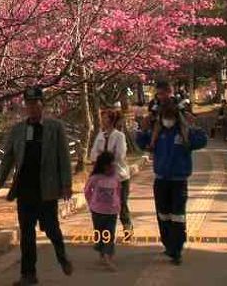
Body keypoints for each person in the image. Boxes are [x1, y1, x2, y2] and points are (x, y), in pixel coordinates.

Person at [0, 87, 74, 285]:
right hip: (25, 189)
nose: (32, 108)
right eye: (28, 104)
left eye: (35, 104)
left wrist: (66, 184)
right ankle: (28, 274)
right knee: (27, 234)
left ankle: (62, 257)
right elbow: (8, 157)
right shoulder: (19, 130)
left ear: (42, 105)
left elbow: (63, 157)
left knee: (52, 229)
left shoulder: (55, 127)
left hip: (47, 189)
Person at [136, 98, 207, 265]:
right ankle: (168, 244)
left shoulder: (184, 132)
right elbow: (142, 143)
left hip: (178, 181)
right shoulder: (157, 133)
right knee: (163, 215)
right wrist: (143, 128)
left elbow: (201, 141)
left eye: (170, 117)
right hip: (161, 181)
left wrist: (194, 125)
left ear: (176, 117)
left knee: (178, 216)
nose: (168, 120)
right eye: (164, 117)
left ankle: (177, 249)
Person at [90, 108, 133, 240]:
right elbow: (93, 155)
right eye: (102, 118)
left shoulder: (119, 136)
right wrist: (102, 161)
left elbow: (120, 155)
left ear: (112, 120)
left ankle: (127, 228)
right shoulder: (100, 136)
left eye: (105, 118)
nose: (103, 120)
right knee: (105, 205)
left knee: (121, 203)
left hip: (119, 176)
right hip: (103, 178)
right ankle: (105, 234)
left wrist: (105, 159)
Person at [84, 151, 121, 272]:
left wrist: (119, 204)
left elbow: (118, 191)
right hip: (98, 211)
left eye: (114, 165)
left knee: (109, 234)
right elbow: (87, 191)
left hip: (112, 212)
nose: (113, 168)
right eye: (110, 166)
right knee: (99, 233)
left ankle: (107, 256)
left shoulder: (115, 177)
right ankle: (102, 252)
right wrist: (91, 204)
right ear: (104, 166)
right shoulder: (95, 178)